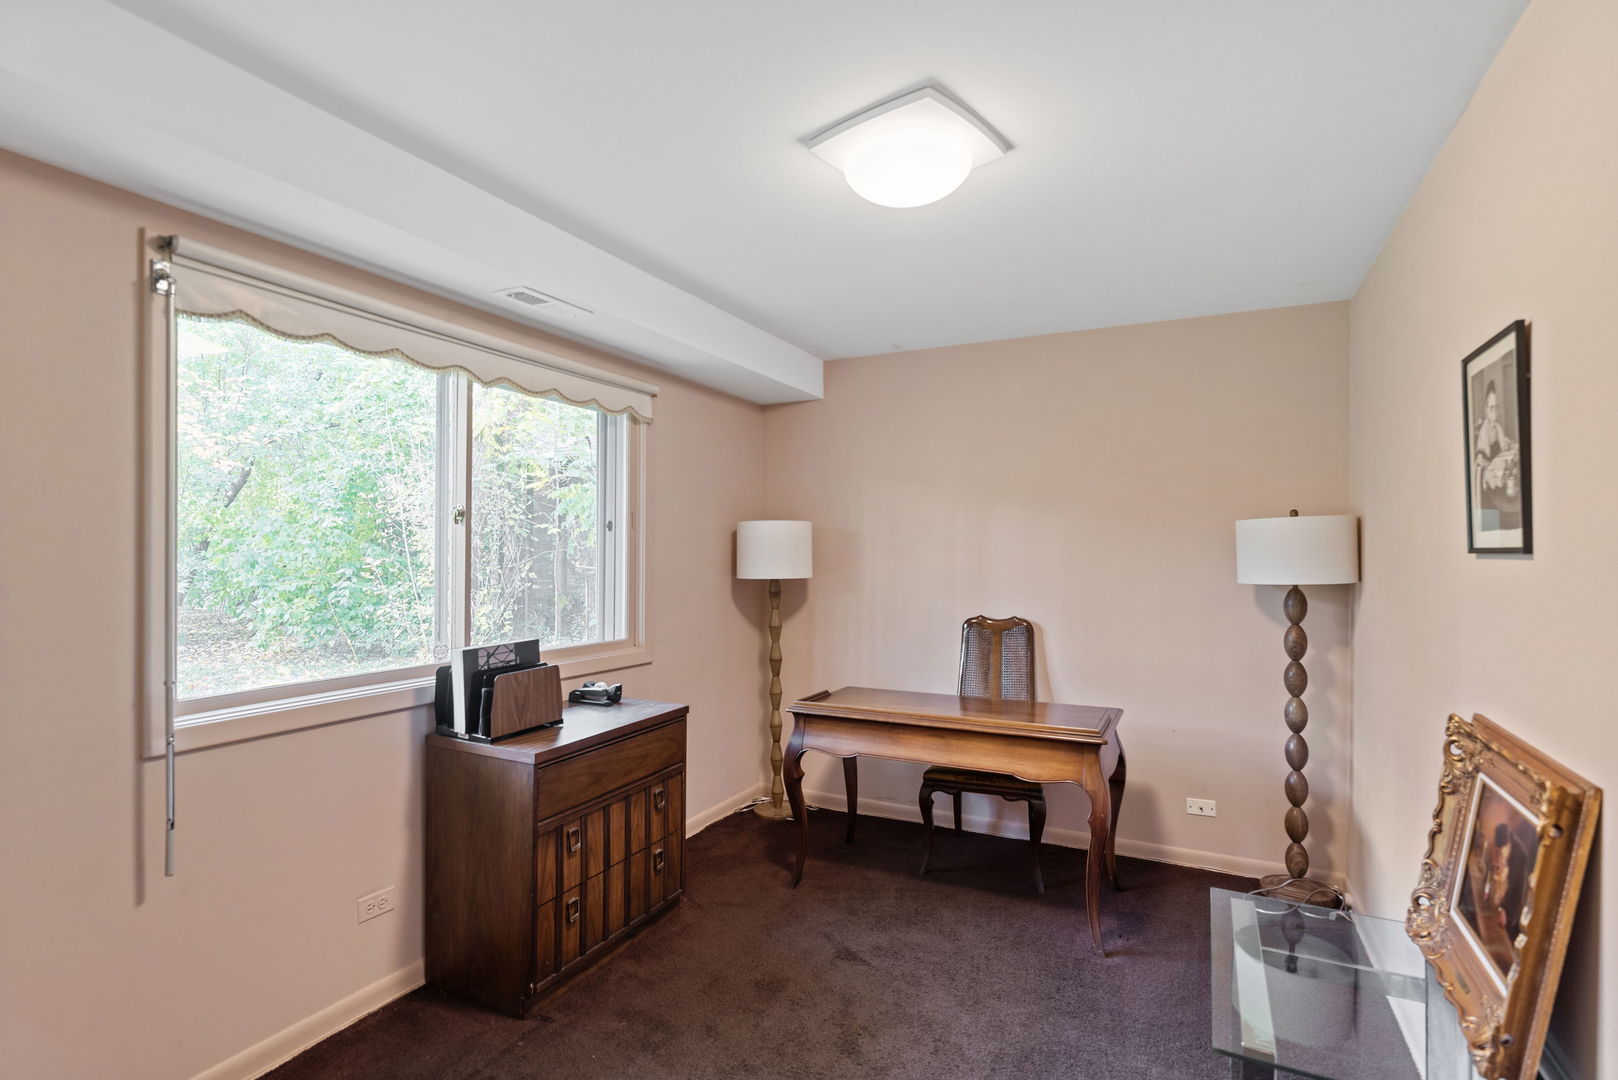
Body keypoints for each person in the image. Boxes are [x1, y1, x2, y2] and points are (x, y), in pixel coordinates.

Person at [1474, 379, 1519, 510]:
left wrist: (1508, 444)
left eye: (1496, 408)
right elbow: (1481, 457)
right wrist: (1485, 461)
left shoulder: (1498, 427)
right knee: (1496, 511)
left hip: (1498, 473)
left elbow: (1504, 444)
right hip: (1488, 480)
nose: (1495, 412)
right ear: (1486, 409)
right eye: (1492, 408)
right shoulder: (1484, 430)